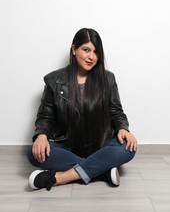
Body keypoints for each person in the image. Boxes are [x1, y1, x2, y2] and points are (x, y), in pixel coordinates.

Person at [27, 28, 137, 191]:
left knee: (128, 147)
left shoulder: (108, 79)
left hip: (102, 144)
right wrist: (41, 135)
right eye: (86, 50)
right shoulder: (53, 80)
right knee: (33, 152)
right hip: (67, 145)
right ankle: (102, 172)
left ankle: (62, 177)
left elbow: (116, 112)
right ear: (73, 49)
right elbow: (46, 117)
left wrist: (123, 129)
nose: (91, 57)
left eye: (96, 52)